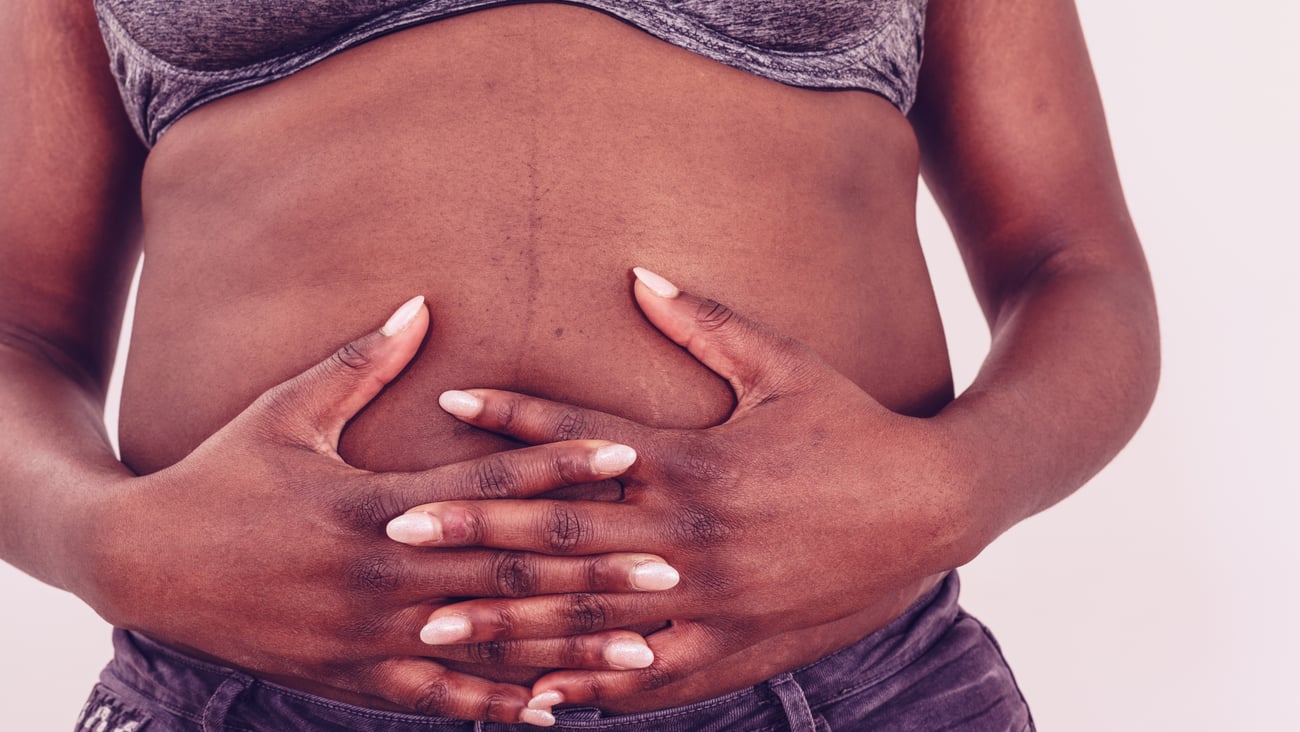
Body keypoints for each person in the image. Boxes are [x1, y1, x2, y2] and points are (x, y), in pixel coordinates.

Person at [0, 0, 1158, 729]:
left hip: (842, 684)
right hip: (250, 695)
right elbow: (19, 329)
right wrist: (104, 542)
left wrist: (955, 489)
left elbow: (1072, 262)